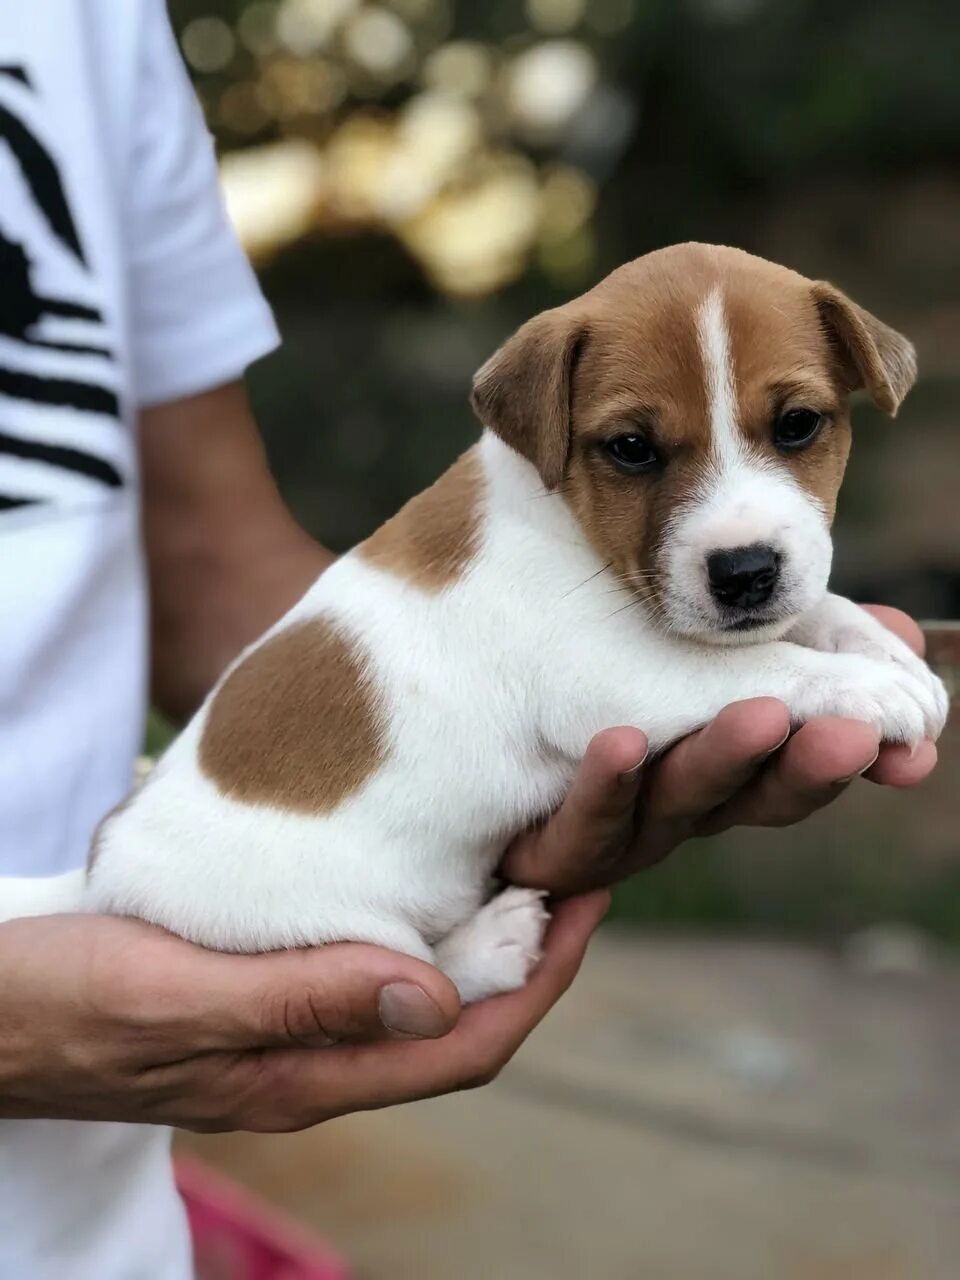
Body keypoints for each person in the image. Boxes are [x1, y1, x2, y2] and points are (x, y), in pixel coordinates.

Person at [0, 3, 938, 1277]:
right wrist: (829, 671)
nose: (740, 523)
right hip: (234, 895)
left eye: (794, 430)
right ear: (537, 429)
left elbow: (218, 562)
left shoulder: (89, 26)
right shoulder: (514, 537)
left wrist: (823, 635)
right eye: (635, 450)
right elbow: (598, 689)